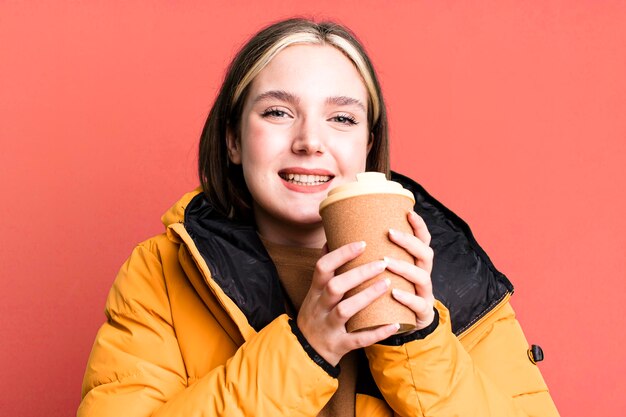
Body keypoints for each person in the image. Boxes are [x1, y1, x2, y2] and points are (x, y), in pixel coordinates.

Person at [78, 18, 559, 417]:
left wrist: (420, 339)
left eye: (342, 118)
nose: (310, 140)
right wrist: (306, 348)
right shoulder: (163, 272)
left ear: (368, 145)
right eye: (277, 112)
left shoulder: (452, 270)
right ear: (232, 140)